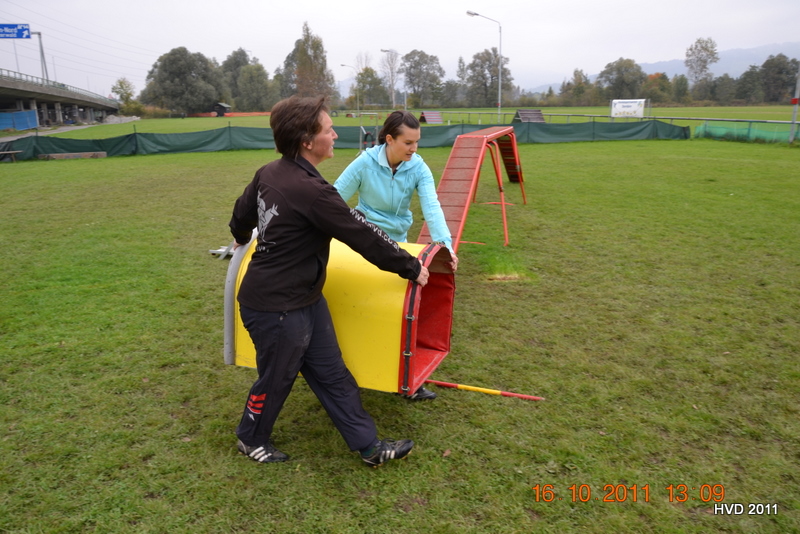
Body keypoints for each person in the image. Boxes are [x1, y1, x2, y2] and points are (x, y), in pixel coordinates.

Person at [229, 96, 429, 467]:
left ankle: (368, 446)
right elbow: (362, 234)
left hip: (305, 298)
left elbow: (241, 215)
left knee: (331, 371)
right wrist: (411, 267)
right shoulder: (313, 192)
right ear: (307, 141)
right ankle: (250, 437)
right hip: (274, 306)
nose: (335, 135)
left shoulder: (270, 172)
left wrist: (240, 235)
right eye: (328, 129)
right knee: (276, 377)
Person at [334, 110, 457, 401]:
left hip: (398, 246)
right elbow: (333, 198)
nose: (414, 149)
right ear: (389, 139)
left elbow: (432, 206)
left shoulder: (419, 168)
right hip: (363, 243)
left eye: (417, 142)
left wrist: (445, 246)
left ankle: (408, 381)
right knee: (363, 308)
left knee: (403, 313)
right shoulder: (364, 163)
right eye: (408, 142)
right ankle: (349, 371)